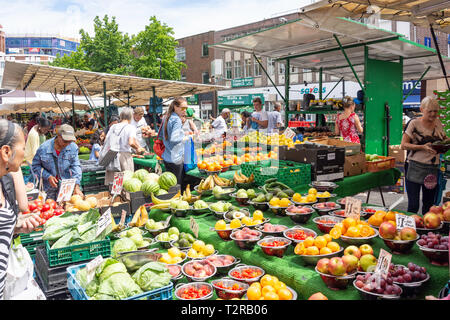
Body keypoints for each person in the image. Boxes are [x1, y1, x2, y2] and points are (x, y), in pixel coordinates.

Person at [0, 119, 42, 299]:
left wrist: (14, 228)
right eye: (23, 148)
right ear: (6, 152)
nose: (25, 155)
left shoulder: (3, 180)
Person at [401, 96, 448, 215]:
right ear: (422, 109)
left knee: (429, 204)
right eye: (430, 111)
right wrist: (422, 147)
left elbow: (443, 138)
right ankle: (410, 228)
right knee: (413, 204)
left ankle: (426, 231)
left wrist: (445, 144)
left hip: (432, 168)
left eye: (435, 111)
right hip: (414, 167)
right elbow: (403, 145)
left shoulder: (438, 123)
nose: (433, 114)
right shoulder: (414, 123)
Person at [31, 124, 84, 201]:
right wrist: (48, 176)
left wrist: (77, 186)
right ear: (58, 136)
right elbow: (35, 166)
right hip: (48, 189)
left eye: (70, 141)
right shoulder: (44, 148)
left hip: (66, 187)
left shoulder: (73, 147)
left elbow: (76, 167)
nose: (67, 144)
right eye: (65, 141)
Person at [103, 108, 146, 185]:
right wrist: (138, 148)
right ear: (131, 116)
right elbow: (131, 142)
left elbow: (106, 140)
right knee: (125, 182)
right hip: (124, 157)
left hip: (112, 156)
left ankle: (114, 196)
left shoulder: (113, 126)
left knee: (114, 183)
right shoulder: (130, 127)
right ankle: (123, 196)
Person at [161, 97, 190, 188]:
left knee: (169, 186)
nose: (185, 110)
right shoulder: (176, 119)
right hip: (176, 158)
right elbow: (174, 138)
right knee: (177, 186)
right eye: (183, 108)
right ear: (175, 107)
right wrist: (187, 137)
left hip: (167, 157)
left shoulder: (166, 117)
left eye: (186, 108)